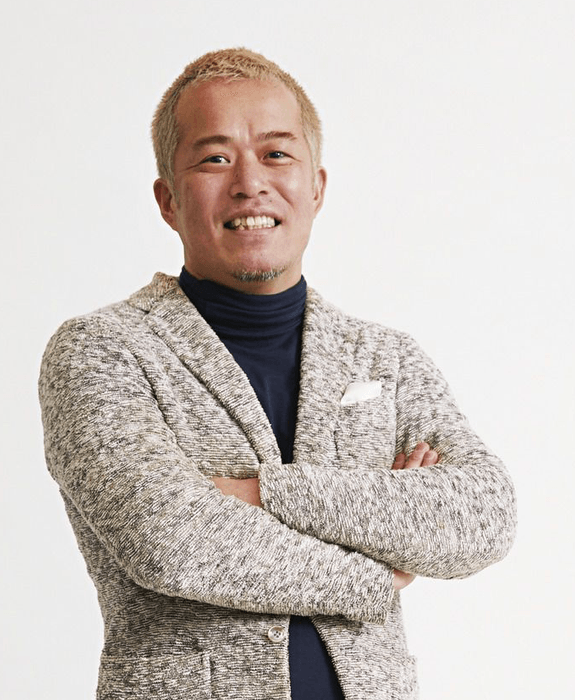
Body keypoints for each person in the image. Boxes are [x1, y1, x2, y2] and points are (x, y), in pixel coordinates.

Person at [39, 48, 517, 700]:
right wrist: (378, 569)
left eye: (276, 153)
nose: (249, 183)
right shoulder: (101, 352)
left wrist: (259, 494)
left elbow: (482, 516)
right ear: (168, 199)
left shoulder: (386, 359)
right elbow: (171, 540)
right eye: (214, 158)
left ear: (316, 188)